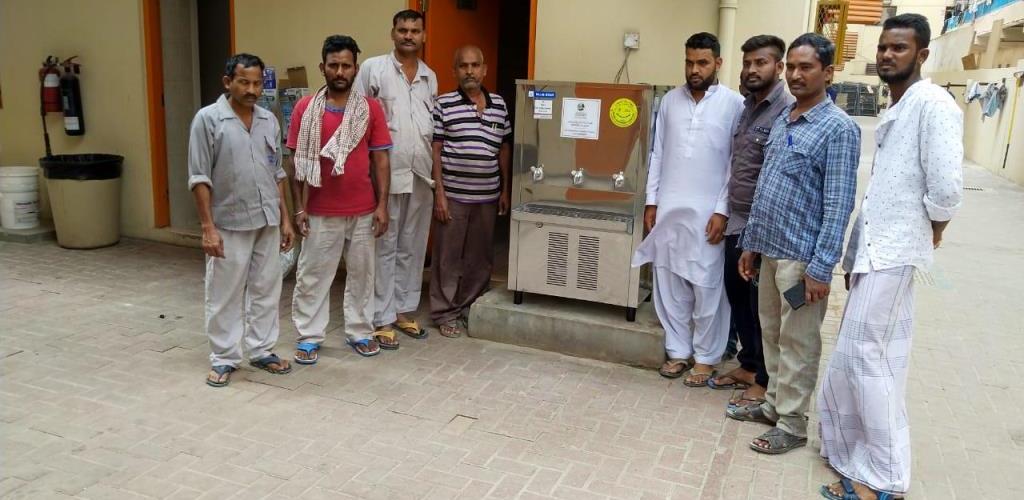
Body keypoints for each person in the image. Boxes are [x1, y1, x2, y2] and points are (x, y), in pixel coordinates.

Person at [819, 14, 963, 500]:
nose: (886, 55)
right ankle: (854, 456)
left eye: (898, 48)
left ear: (922, 55)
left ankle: (884, 479)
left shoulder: (933, 105)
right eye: (883, 47)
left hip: (897, 251)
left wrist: (933, 229)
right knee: (864, 358)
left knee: (868, 359)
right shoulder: (897, 106)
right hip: (875, 252)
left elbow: (946, 187)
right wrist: (855, 255)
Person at [731, 33, 861, 454]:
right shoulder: (786, 118)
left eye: (806, 67)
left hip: (801, 261)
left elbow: (839, 203)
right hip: (769, 248)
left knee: (799, 342)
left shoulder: (838, 129)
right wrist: (751, 243)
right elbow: (767, 187)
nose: (796, 74)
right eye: (791, 66)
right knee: (771, 333)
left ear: (828, 72)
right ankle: (773, 404)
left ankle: (792, 423)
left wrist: (822, 268)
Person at [632, 32, 744, 386]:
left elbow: (734, 164)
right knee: (669, 281)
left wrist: (723, 210)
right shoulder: (670, 102)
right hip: (670, 210)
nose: (694, 70)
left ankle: (707, 358)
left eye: (702, 63)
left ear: (718, 64)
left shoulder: (734, 104)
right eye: (689, 62)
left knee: (707, 286)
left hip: (709, 214)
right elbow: (658, 154)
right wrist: (652, 202)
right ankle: (678, 351)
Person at [188, 53, 295, 387]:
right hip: (228, 223)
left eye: (257, 83)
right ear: (227, 82)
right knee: (225, 292)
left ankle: (262, 350)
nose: (251, 89)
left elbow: (276, 172)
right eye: (244, 82)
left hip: (267, 221)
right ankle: (224, 358)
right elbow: (199, 177)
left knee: (266, 288)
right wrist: (208, 228)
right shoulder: (208, 120)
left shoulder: (268, 120)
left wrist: (286, 220)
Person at [288, 35, 392, 362]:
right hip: (319, 209)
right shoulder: (306, 109)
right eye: (333, 65)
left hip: (363, 210)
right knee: (313, 275)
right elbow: (294, 162)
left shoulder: (370, 109)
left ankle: (359, 332)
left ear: (355, 69)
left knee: (363, 276)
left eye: (346, 65)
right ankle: (308, 336)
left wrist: (382, 205)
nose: (340, 71)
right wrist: (300, 207)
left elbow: (381, 160)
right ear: (323, 67)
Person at [709, 35, 794, 412]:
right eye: (747, 63)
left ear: (779, 67)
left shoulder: (785, 110)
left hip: (763, 224)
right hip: (737, 218)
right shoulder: (748, 106)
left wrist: (755, 234)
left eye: (760, 63)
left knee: (762, 305)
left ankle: (764, 378)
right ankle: (747, 364)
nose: (751, 70)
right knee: (737, 294)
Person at [354, 9, 438, 344]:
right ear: (393, 33)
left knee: (413, 246)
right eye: (402, 30)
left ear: (423, 36)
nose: (408, 35)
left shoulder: (430, 77)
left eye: (415, 30)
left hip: (422, 176)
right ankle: (381, 315)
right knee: (384, 245)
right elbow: (358, 122)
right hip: (386, 175)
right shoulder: (374, 68)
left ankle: (403, 310)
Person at [429, 46, 511, 337]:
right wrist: (439, 194)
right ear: (455, 71)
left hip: (487, 195)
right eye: (463, 66)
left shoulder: (499, 105)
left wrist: (505, 189)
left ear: (484, 69)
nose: (470, 71)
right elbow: (436, 150)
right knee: (447, 257)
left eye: (475, 65)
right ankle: (444, 312)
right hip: (452, 196)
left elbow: (504, 147)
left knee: (480, 257)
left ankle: (468, 306)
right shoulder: (444, 104)